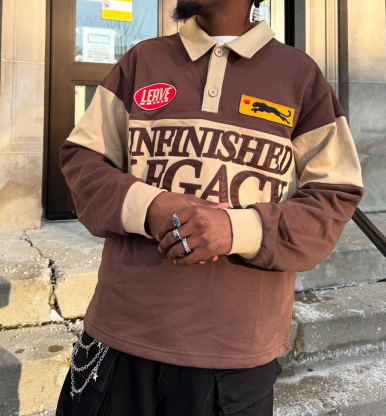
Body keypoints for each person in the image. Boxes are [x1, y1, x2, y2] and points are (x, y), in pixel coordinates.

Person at [56, 0, 364, 414]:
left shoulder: (300, 76)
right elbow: (82, 160)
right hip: (118, 341)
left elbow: (335, 197)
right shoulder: (142, 60)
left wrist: (236, 230)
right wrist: (150, 205)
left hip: (234, 360)